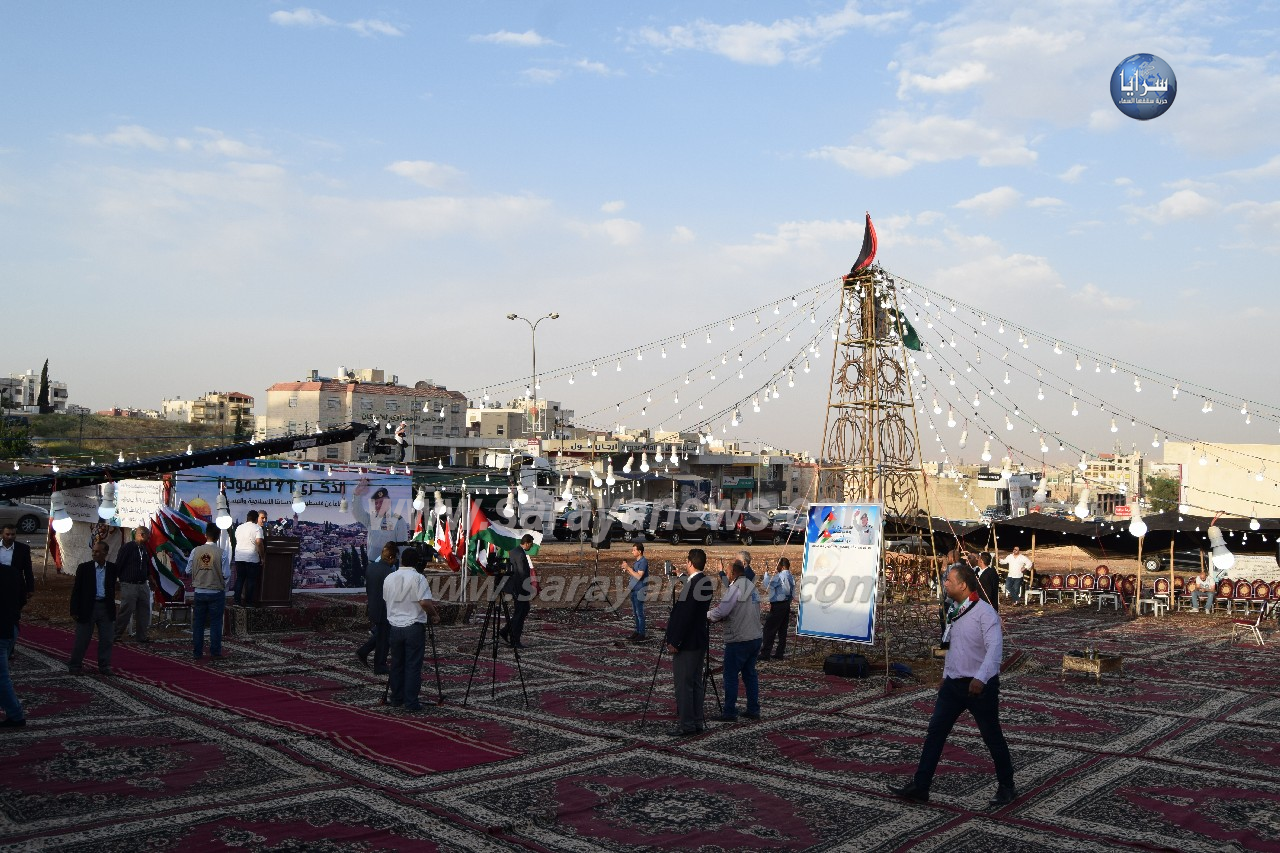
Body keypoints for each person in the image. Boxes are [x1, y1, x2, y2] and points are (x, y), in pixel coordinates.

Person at [889, 564, 1015, 806]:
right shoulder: (954, 611)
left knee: (991, 736)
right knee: (935, 732)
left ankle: (1007, 786)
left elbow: (995, 650)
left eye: (949, 580)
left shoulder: (985, 613)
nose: (945, 583)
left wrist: (981, 678)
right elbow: (951, 646)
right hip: (953, 685)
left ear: (963, 585)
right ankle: (921, 785)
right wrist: (946, 675)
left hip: (980, 687)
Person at [663, 548, 713, 737]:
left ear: (690, 562)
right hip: (698, 640)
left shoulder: (693, 586)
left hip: (687, 643)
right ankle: (696, 720)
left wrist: (675, 640)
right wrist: (682, 576)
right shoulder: (704, 582)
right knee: (695, 683)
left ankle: (687, 724)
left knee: (684, 685)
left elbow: (686, 616)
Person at [382, 547, 438, 711]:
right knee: (412, 665)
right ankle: (411, 702)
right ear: (418, 562)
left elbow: (386, 599)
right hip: (413, 626)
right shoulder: (418, 578)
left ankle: (396, 698)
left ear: (401, 560)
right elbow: (424, 602)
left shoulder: (390, 577)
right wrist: (434, 615)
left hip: (394, 627)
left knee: (396, 664)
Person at [708, 559, 762, 722]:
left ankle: (729, 712)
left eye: (728, 571)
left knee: (730, 675)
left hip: (739, 638)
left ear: (733, 572)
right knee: (750, 675)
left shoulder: (735, 588)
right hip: (755, 636)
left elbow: (722, 611)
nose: (727, 574)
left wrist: (707, 615)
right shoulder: (752, 586)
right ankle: (753, 709)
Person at [1, 524, 35, 727]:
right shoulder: (12, 576)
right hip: (9, 628)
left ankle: (16, 715)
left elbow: (28, 572)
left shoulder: (13, 575)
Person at [69, 540, 119, 676]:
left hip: (105, 607)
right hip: (88, 607)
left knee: (107, 639)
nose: (94, 554)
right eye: (93, 551)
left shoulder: (112, 569)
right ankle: (75, 665)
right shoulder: (84, 568)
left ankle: (104, 665)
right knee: (82, 639)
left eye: (97, 551)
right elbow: (76, 590)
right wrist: (74, 609)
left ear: (105, 553)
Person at [187, 523, 229, 661]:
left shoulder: (195, 551)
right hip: (216, 591)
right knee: (216, 623)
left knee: (198, 623)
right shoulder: (222, 553)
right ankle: (215, 652)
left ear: (205, 535)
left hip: (199, 591)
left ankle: (197, 652)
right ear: (218, 537)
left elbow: (188, 570)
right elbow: (226, 574)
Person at [357, 542, 397, 674]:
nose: (396, 561)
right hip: (384, 609)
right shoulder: (389, 573)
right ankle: (379, 665)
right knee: (384, 639)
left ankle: (363, 651)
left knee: (382, 634)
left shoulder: (371, 567)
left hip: (374, 606)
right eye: (395, 558)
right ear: (390, 557)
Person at [1, 524, 35, 663]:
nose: (10, 537)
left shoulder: (22, 549)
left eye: (13, 534)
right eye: (7, 534)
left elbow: (28, 569)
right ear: (2, 534)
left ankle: (10, 649)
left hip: (15, 590)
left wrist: (30, 588)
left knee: (13, 618)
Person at [114, 526, 154, 643]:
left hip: (143, 584)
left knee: (144, 611)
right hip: (129, 584)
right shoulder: (127, 547)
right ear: (142, 534)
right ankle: (116, 634)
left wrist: (150, 579)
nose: (149, 538)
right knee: (127, 610)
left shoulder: (144, 549)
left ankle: (141, 636)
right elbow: (119, 564)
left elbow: (146, 566)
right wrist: (116, 580)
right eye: (148, 536)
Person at [353, 480, 407, 563]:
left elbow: (402, 546)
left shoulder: (398, 520)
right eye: (376, 503)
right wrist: (357, 494)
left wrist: (399, 567)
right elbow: (358, 513)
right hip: (371, 564)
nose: (378, 505)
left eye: (381, 502)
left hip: (389, 566)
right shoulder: (371, 518)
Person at [499, 534, 536, 649]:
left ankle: (506, 631)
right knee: (520, 613)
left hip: (515, 587)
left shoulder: (514, 551)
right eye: (531, 544)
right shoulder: (520, 554)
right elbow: (522, 573)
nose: (531, 547)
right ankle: (515, 639)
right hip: (520, 588)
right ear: (527, 543)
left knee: (521, 611)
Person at [760, 557, 795, 660]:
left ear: (782, 566)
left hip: (778, 606)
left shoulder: (781, 576)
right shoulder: (791, 576)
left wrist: (766, 573)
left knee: (769, 629)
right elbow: (792, 593)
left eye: (777, 565)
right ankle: (780, 653)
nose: (776, 567)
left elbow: (767, 584)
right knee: (782, 630)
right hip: (786, 605)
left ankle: (765, 654)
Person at [232, 510, 264, 607]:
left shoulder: (239, 527)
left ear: (247, 518)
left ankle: (237, 601)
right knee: (251, 580)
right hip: (252, 558)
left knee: (240, 579)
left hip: (239, 557)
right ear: (256, 519)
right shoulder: (257, 528)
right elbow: (259, 542)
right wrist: (262, 557)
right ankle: (249, 603)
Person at [620, 542, 649, 641]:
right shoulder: (637, 562)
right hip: (634, 589)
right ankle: (637, 631)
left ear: (639, 551)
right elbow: (634, 574)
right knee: (635, 613)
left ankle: (641, 633)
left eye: (634, 550)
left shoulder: (643, 562)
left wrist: (628, 568)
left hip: (640, 590)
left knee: (639, 613)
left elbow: (639, 576)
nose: (632, 552)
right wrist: (627, 569)